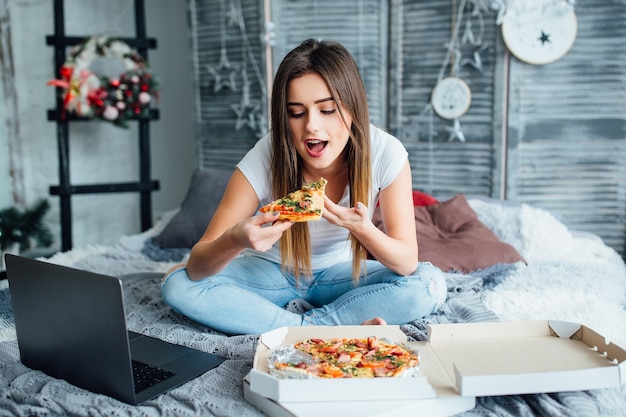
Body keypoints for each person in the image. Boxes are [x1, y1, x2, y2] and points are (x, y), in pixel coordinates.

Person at [161, 39, 447, 335]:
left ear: (352, 108)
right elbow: (196, 266)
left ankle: (302, 330)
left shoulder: (386, 152)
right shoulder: (265, 156)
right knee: (177, 285)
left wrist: (364, 229)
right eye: (296, 113)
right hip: (269, 273)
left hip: (341, 275)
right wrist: (235, 240)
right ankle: (320, 329)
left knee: (429, 284)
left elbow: (407, 261)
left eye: (327, 110)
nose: (311, 126)